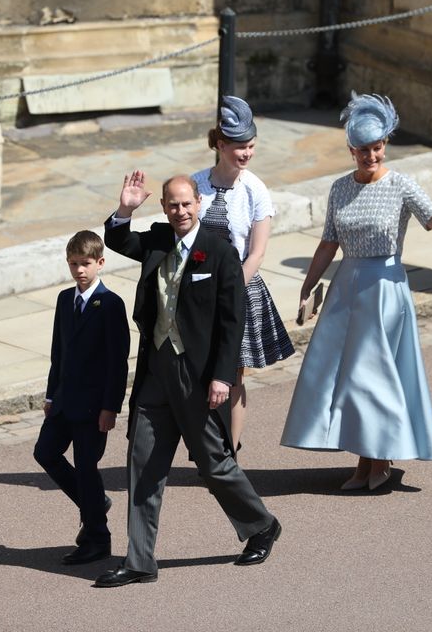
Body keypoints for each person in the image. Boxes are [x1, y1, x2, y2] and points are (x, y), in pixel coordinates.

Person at [94, 172, 281, 588]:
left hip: (196, 376)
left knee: (213, 464)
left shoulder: (219, 250)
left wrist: (222, 377)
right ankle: (140, 560)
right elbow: (117, 239)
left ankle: (261, 524)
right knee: (142, 465)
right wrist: (125, 207)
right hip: (155, 372)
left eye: (186, 203)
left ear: (198, 202)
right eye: (172, 205)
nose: (180, 211)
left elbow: (233, 322)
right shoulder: (158, 239)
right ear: (164, 207)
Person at [280, 93, 432, 490]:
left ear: (385, 145)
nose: (370, 156)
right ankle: (366, 461)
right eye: (362, 150)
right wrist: (308, 285)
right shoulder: (340, 188)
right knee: (346, 378)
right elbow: (328, 243)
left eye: (376, 148)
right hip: (346, 288)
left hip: (385, 291)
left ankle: (376, 461)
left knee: (372, 377)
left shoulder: (401, 185)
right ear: (351, 150)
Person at [191, 96, 294, 453]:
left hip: (238, 291)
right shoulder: (196, 185)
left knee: (231, 374)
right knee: (199, 371)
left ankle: (229, 452)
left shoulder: (255, 190)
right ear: (220, 145)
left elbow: (258, 252)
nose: (247, 153)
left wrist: (229, 290)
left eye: (251, 147)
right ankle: (204, 443)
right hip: (197, 291)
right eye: (239, 147)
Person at [33, 230, 130, 565]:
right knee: (45, 453)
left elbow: (117, 363)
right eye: (74, 264)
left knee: (87, 468)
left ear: (100, 263)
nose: (79, 270)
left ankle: (97, 538)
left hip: (92, 408)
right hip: (63, 401)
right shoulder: (64, 299)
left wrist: (110, 408)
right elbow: (57, 353)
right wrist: (50, 395)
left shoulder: (111, 305)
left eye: (86, 264)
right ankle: (95, 503)